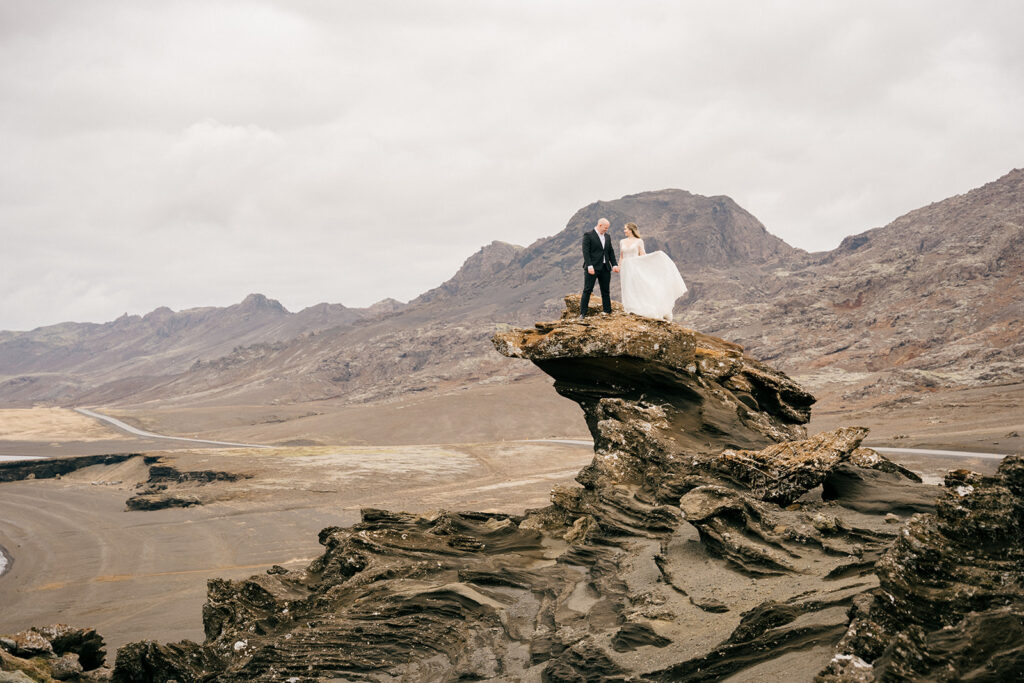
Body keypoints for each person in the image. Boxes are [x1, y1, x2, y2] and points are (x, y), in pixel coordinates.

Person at [618, 222, 687, 321]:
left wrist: (653, 257)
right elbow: (621, 256)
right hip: (625, 267)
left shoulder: (639, 241)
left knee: (636, 286)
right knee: (626, 286)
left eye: (626, 229)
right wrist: (619, 266)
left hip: (635, 266)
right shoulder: (622, 241)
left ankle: (638, 307)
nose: (624, 231)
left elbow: (642, 254)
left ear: (631, 230)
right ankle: (629, 307)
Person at [579, 218, 619, 318]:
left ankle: (607, 311)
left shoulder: (607, 237)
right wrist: (589, 265)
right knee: (587, 290)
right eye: (605, 228)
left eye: (607, 228)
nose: (606, 230)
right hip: (592, 268)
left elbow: (610, 251)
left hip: (605, 268)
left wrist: (614, 264)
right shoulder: (588, 235)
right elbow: (586, 252)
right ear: (600, 225)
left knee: (605, 291)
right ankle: (583, 313)